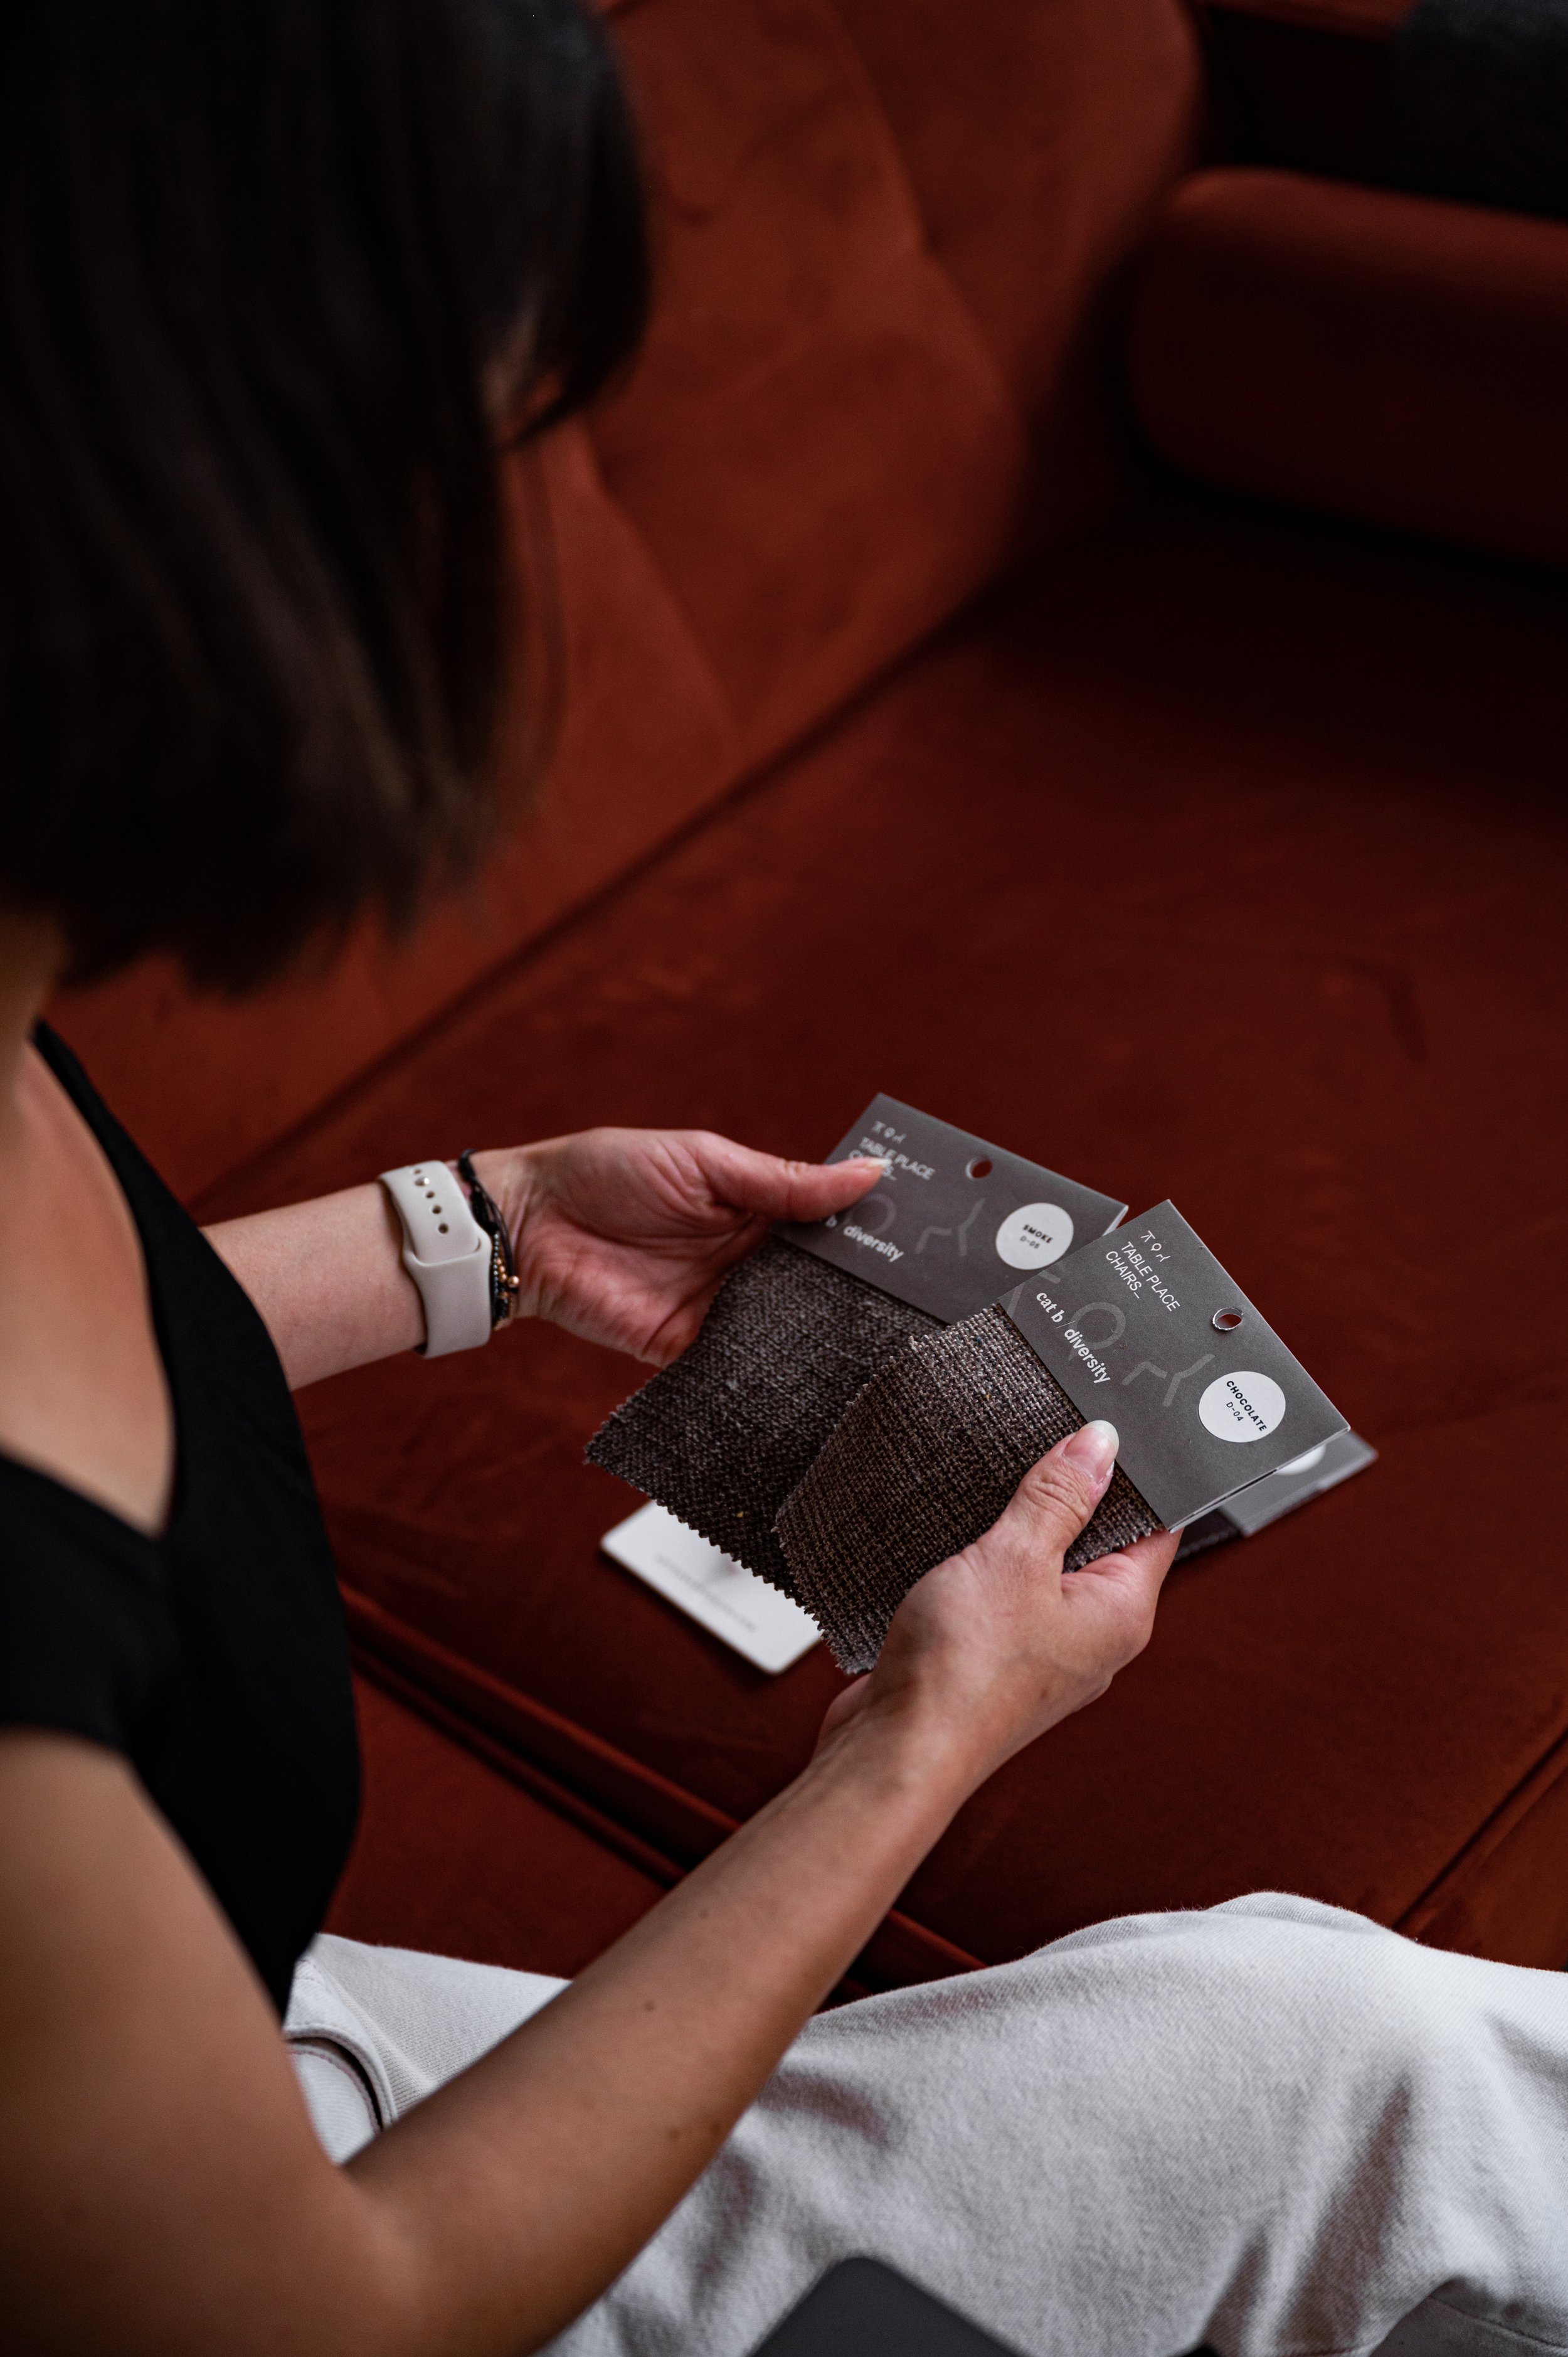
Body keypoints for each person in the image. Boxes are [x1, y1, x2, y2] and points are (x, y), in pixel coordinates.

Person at [3, 6, 1567, 2355]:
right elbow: (340, 2315)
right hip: (295, 2231)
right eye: (504, 436)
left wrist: (493, 1232)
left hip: (227, 2028)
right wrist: (913, 1738)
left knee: (1361, 2043)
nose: (553, 550)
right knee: (1383, 2078)